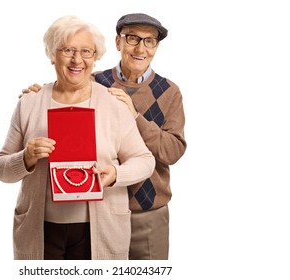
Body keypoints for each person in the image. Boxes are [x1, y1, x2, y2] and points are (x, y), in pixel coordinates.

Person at [23, 13, 187, 260]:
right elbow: (67, 85)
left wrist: (135, 116)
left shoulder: (169, 91)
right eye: (132, 38)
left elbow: (173, 151)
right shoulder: (96, 81)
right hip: (99, 211)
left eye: (149, 41)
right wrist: (39, 93)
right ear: (118, 43)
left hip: (147, 210)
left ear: (156, 47)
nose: (140, 47)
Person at [0, 15, 155, 260]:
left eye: (86, 51)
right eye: (67, 50)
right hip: (41, 229)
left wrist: (115, 174)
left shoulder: (113, 103)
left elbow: (144, 160)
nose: (77, 59)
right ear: (52, 55)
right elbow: (1, 169)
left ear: (96, 56)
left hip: (100, 228)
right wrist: (25, 157)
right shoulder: (29, 103)